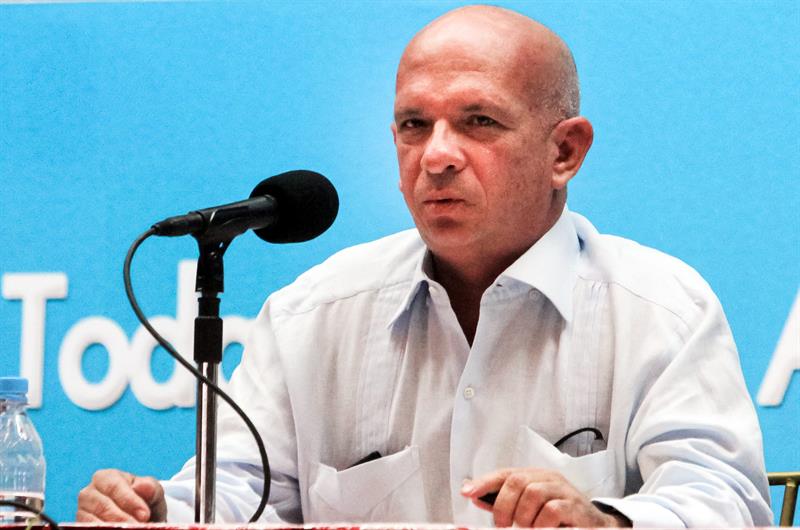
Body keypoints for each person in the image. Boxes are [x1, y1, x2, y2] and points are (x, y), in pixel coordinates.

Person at [76, 5, 772, 527]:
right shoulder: (311, 315)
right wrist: (157, 511)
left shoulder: (658, 309)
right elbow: (241, 495)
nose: (436, 155)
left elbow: (725, 501)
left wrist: (606, 521)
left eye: (478, 122)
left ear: (564, 152)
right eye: (415, 125)